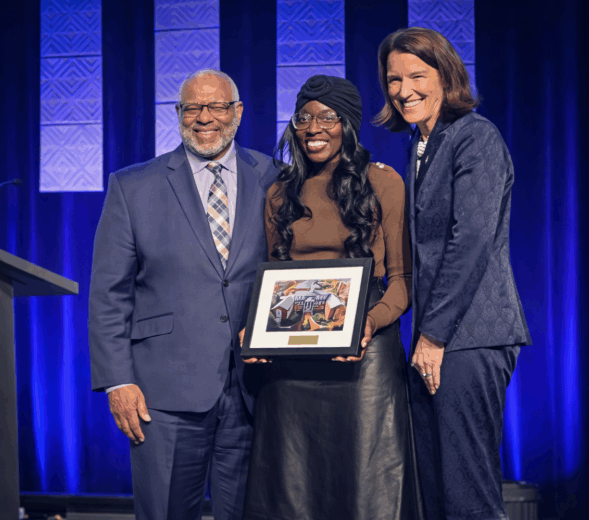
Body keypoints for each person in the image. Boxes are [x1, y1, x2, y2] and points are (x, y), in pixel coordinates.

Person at [88, 69, 278, 520]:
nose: (204, 118)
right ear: (178, 113)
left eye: (216, 107)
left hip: (255, 388)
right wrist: (117, 381)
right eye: (192, 107)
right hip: (163, 393)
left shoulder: (275, 176)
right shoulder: (132, 185)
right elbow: (109, 294)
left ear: (238, 112)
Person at [242, 74, 420, 520]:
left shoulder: (384, 183)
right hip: (291, 365)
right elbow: (275, 279)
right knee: (291, 493)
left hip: (363, 359)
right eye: (303, 118)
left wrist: (369, 323)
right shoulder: (279, 193)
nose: (313, 128)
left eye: (327, 117)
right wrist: (255, 330)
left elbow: (402, 282)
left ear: (348, 124)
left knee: (366, 492)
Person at [375, 27, 532, 520]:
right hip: (437, 338)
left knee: (468, 496)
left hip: (470, 337)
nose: (404, 90)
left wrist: (433, 335)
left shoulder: (476, 137)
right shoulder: (420, 145)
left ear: (445, 76)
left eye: (417, 76)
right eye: (394, 79)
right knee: (436, 495)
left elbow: (471, 243)